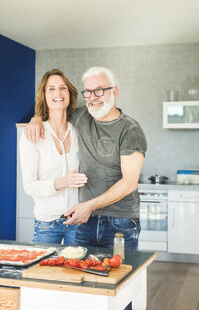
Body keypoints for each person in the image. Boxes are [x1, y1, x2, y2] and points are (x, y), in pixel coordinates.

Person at [24, 66, 147, 250]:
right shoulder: (81, 117)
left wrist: (89, 206)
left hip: (119, 220)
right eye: (88, 92)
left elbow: (130, 183)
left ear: (114, 91)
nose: (93, 97)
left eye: (99, 90)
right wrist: (35, 119)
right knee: (83, 274)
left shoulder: (130, 129)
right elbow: (54, 106)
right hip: (85, 221)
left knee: (121, 274)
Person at [20, 69, 88, 245]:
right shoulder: (33, 134)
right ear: (44, 95)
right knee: (44, 272)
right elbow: (29, 186)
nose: (57, 93)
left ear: (70, 94)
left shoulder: (78, 132)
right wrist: (63, 182)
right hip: (47, 225)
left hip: (78, 222)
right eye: (51, 89)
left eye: (62, 88)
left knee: (76, 272)